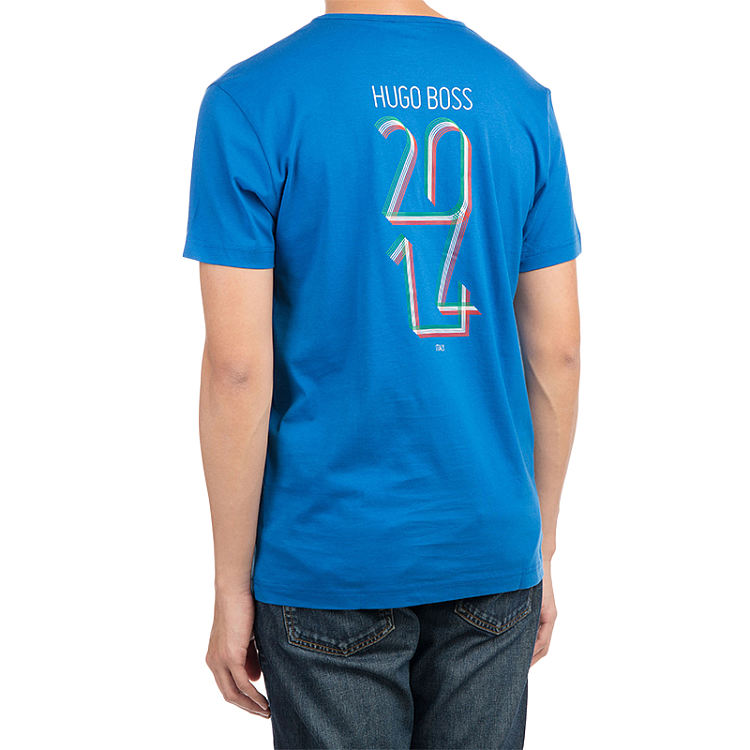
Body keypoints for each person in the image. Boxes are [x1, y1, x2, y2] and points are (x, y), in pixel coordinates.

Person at [182, 0, 581, 747]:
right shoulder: (519, 98)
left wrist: (232, 586)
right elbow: (556, 351)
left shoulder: (251, 102)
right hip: (490, 547)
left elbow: (236, 371)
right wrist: (541, 546)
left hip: (328, 555)